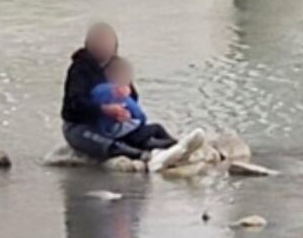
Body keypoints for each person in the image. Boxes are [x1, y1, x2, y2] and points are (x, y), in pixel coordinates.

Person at [60, 23, 204, 172]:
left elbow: (132, 100)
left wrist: (125, 95)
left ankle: (177, 147)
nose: (103, 46)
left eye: (107, 42)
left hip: (114, 125)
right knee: (110, 144)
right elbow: (74, 105)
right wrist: (104, 109)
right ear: (89, 45)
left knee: (151, 131)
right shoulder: (80, 69)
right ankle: (147, 157)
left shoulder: (115, 66)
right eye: (99, 42)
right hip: (81, 127)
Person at [90, 57, 177, 151]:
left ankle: (155, 144)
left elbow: (94, 104)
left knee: (145, 133)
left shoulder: (98, 89)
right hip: (123, 135)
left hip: (106, 133)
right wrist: (140, 121)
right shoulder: (118, 91)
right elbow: (138, 114)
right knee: (156, 128)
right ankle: (174, 145)